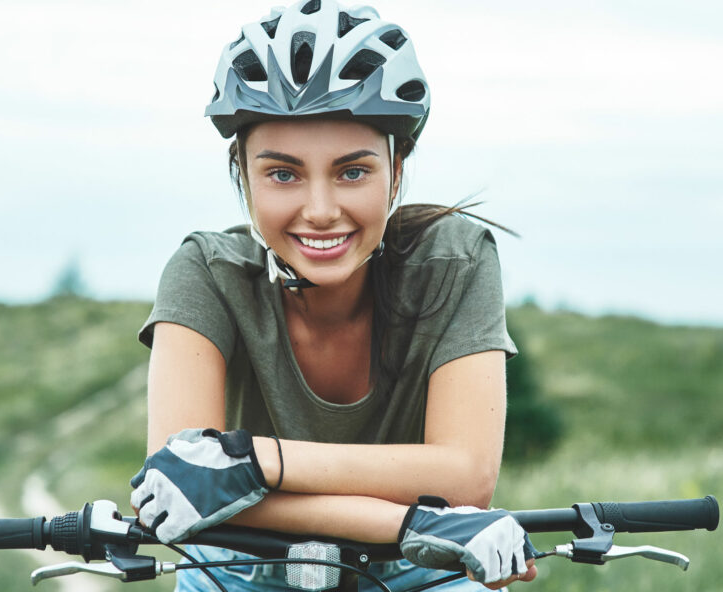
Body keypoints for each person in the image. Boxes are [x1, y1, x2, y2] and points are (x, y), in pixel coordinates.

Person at [130, 1, 537, 589]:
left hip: (419, 568)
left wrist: (257, 463)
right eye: (283, 173)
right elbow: (183, 487)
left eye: (352, 172)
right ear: (242, 173)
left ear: (397, 171)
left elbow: (466, 477)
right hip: (246, 560)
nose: (320, 212)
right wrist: (405, 522)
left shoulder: (456, 260)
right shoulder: (205, 272)